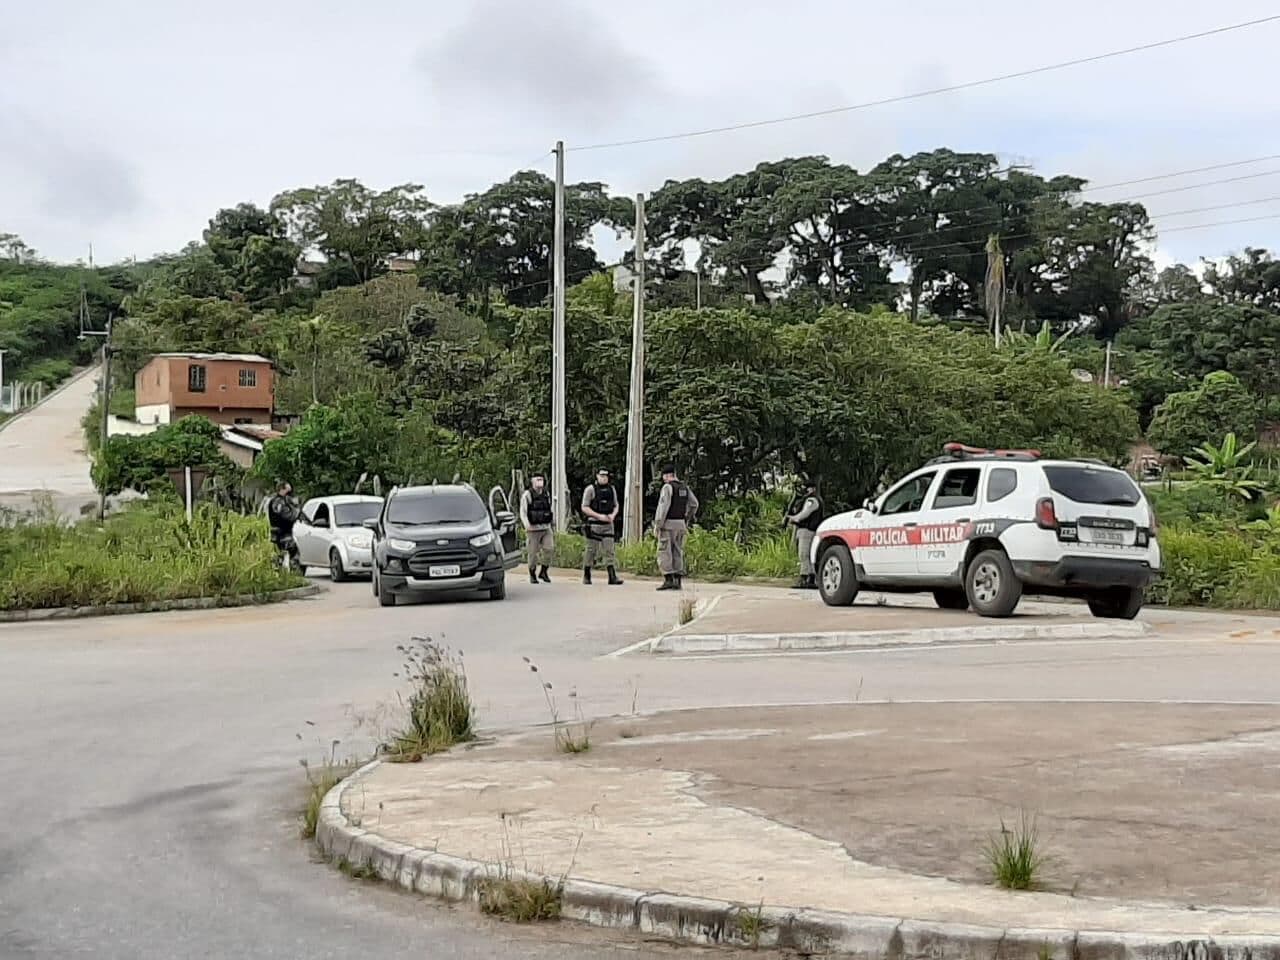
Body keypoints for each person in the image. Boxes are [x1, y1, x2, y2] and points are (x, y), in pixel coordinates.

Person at [653, 464, 698, 591]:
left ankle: (668, 579)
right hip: (681, 524)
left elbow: (663, 508)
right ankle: (678, 581)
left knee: (664, 551)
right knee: (678, 551)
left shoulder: (667, 488)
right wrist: (687, 517)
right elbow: (694, 504)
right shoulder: (684, 487)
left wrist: (658, 525)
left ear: (667, 476)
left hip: (667, 525)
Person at [581, 467, 622, 585]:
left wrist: (613, 515)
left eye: (606, 476)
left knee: (610, 551)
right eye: (601, 476)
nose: (604, 478)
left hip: (608, 524)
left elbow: (616, 504)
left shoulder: (611, 489)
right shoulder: (590, 489)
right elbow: (584, 507)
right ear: (597, 476)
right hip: (594, 524)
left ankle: (612, 576)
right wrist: (598, 516)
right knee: (591, 550)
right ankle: (587, 574)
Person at [784, 479, 824, 589]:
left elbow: (804, 514)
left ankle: (805, 578)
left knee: (803, 554)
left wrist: (793, 518)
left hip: (807, 530)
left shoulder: (812, 500)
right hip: (808, 530)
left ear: (813, 489)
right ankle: (810, 579)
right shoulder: (811, 499)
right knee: (807, 554)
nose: (805, 490)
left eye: (807, 487)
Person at [520, 472, 555, 584]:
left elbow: (549, 509)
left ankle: (544, 572)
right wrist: (526, 525)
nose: (540, 481)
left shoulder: (546, 494)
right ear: (532, 481)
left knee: (549, 549)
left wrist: (552, 523)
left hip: (545, 527)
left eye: (541, 479)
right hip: (533, 528)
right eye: (537, 479)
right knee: (533, 553)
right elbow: (523, 512)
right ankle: (532, 574)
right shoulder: (527, 495)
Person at [267, 481, 301, 565]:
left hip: (283, 531)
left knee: (285, 552)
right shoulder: (278, 501)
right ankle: (286, 571)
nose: (289, 493)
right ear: (282, 489)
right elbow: (286, 515)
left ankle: (282, 569)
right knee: (291, 550)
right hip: (281, 532)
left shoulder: (282, 500)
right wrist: (297, 514)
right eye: (288, 490)